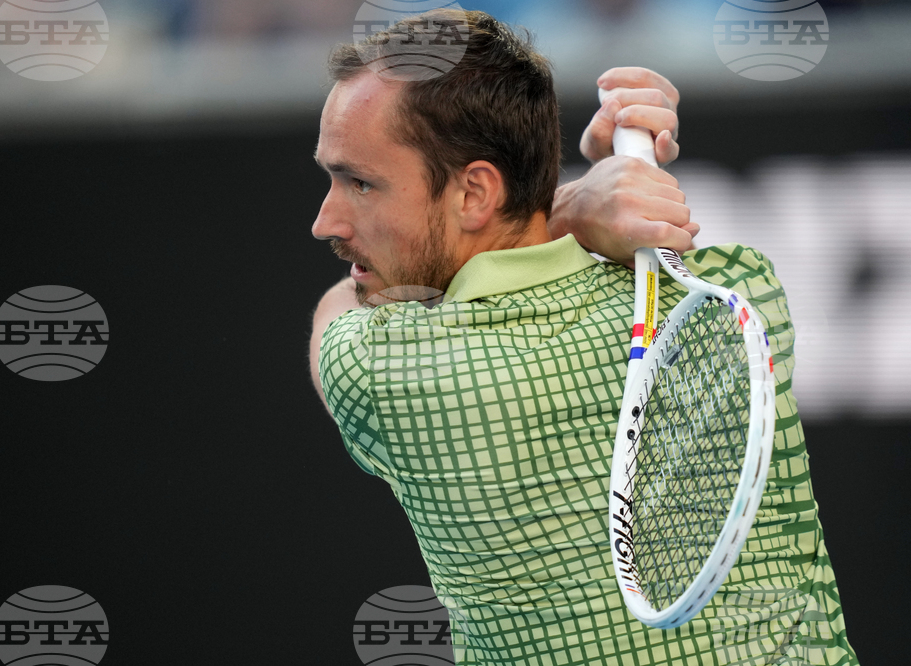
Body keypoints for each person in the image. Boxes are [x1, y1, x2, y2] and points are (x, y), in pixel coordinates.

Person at [309, 11, 858, 666]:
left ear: (476, 193)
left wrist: (568, 205)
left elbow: (339, 306)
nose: (326, 220)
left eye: (360, 182)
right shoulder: (748, 292)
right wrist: (572, 203)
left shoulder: (380, 363)